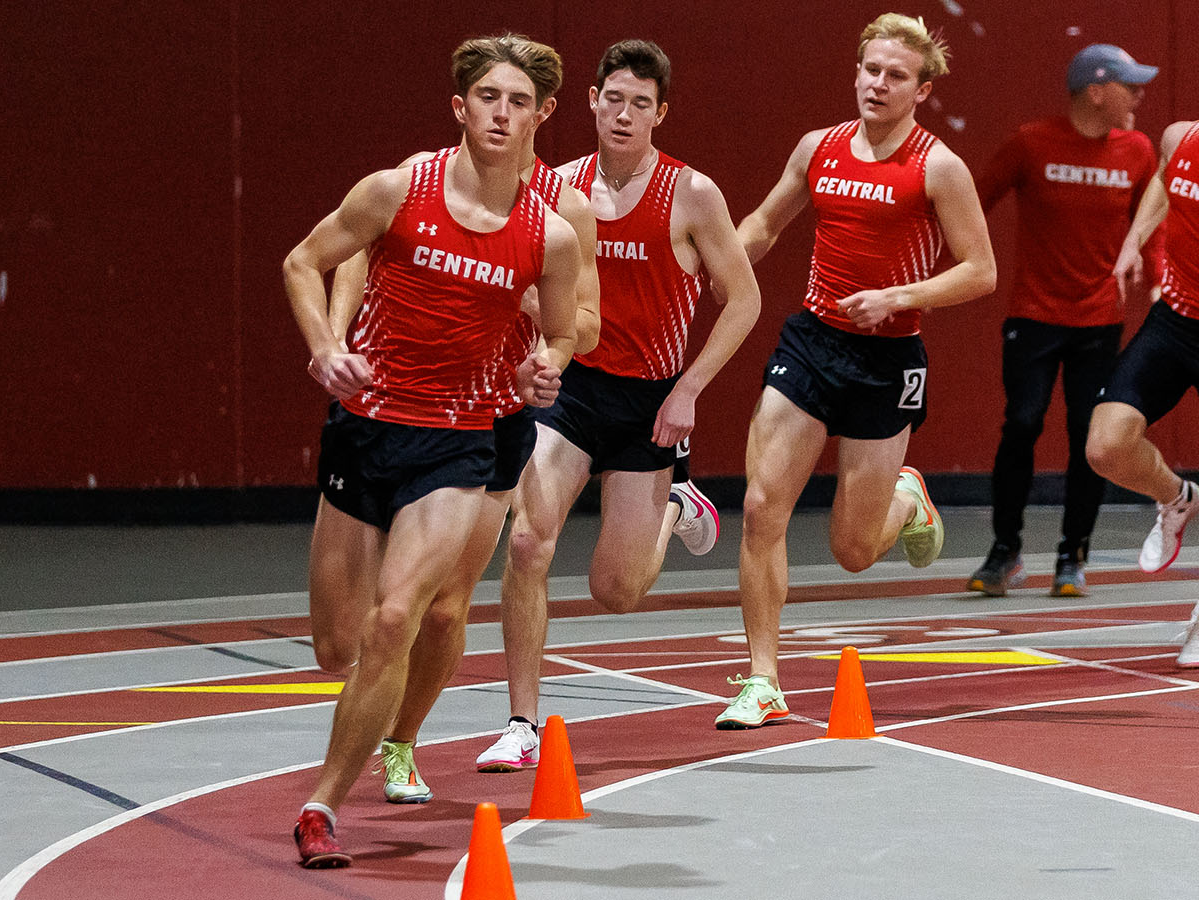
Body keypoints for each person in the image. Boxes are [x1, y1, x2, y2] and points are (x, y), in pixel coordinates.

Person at [281, 34, 582, 867]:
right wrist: (324, 346)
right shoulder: (396, 190)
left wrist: (546, 364)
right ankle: (373, 721)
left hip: (458, 438)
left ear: (539, 117)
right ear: (460, 106)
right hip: (367, 423)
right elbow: (305, 260)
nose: (502, 113)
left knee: (395, 619)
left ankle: (321, 806)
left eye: (518, 102)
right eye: (488, 97)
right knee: (337, 645)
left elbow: (567, 324)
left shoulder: (549, 234)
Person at [475, 38, 760, 770]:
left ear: (660, 113)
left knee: (616, 591)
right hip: (571, 392)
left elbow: (744, 300)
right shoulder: (559, 188)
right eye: (613, 100)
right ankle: (520, 723)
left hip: (650, 403)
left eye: (641, 104)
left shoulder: (691, 194)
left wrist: (690, 389)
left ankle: (676, 506)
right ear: (591, 104)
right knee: (530, 542)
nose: (624, 116)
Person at [719, 13, 996, 729]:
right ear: (857, 72)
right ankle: (763, 678)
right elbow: (763, 225)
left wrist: (900, 296)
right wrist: (708, 266)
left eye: (896, 76)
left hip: (887, 358)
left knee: (851, 551)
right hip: (812, 342)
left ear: (921, 89)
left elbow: (980, 271)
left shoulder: (938, 167)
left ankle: (908, 498)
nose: (879, 84)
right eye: (870, 70)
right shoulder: (819, 148)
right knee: (759, 508)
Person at [968, 44, 1160, 598]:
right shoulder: (1031, 143)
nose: (1140, 94)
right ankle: (1005, 550)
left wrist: (1156, 268)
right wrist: (951, 270)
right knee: (1022, 423)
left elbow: (1155, 221)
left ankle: (1072, 555)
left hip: (1099, 321)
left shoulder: (1139, 150)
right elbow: (973, 202)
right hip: (1033, 316)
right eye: (1130, 85)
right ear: (1096, 91)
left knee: (1088, 436)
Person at [1089, 116, 1199, 668]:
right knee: (1105, 447)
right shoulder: (1182, 137)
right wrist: (1134, 242)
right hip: (1176, 321)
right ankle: (1178, 499)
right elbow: (1165, 179)